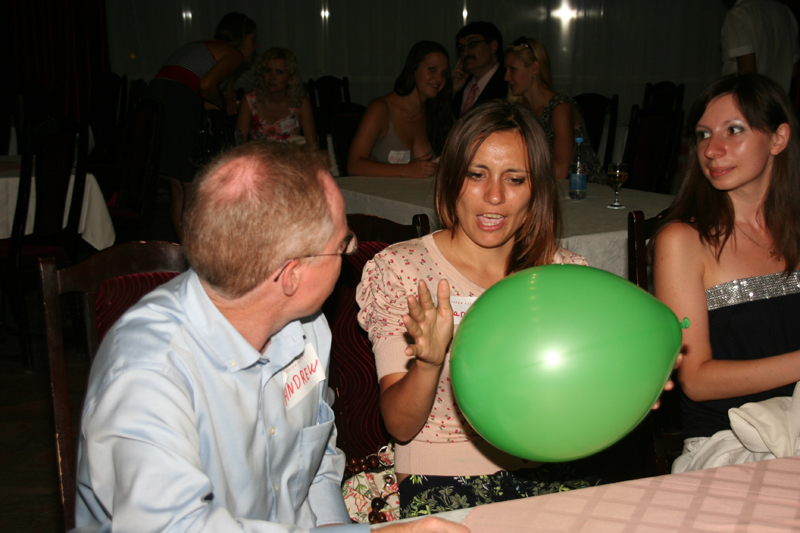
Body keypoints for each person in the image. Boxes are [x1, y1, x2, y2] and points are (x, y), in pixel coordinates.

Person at [73, 141, 469, 533]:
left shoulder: (307, 328)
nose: (350, 252)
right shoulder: (149, 376)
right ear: (292, 275)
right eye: (343, 244)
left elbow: (317, 465)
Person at [356, 101, 600, 518]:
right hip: (441, 477)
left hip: (553, 472)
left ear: (537, 189)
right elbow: (399, 425)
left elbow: (582, 404)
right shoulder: (402, 270)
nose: (495, 196)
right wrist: (429, 362)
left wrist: (630, 383)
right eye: (476, 174)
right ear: (452, 178)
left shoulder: (565, 276)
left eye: (515, 179)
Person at [651, 74, 800, 473]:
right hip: (731, 442)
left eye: (733, 130)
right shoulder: (683, 241)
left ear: (779, 138)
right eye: (703, 135)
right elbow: (696, 379)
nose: (712, 150)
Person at [146, 12, 258, 242]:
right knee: (190, 183)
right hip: (177, 101)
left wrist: (216, 103)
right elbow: (206, 85)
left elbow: (191, 90)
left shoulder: (205, 48)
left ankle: (185, 247)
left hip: (157, 98)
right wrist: (224, 106)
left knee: (177, 184)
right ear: (242, 38)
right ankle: (196, 248)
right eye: (253, 40)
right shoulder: (233, 54)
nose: (255, 47)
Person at [504, 37, 605, 183]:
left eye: (512, 70)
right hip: (545, 187)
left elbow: (561, 170)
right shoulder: (518, 110)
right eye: (506, 70)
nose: (506, 77)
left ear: (534, 68)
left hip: (584, 189)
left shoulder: (560, 107)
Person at [347, 41, 453, 179]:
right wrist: (406, 170)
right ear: (413, 69)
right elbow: (353, 166)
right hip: (379, 191)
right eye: (432, 69)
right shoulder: (381, 108)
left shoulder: (438, 113)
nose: (440, 78)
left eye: (444, 73)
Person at [236, 48, 318, 147]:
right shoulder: (250, 101)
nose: (272, 77)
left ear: (291, 78)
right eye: (268, 71)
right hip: (260, 155)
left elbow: (312, 145)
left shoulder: (300, 101)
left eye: (279, 72)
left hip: (292, 155)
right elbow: (239, 145)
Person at [721, 0, 799, 93]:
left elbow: (747, 73)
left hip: (745, 98)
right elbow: (794, 70)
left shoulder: (739, 14)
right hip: (777, 97)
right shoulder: (785, 12)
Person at [451, 22, 508, 118]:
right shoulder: (459, 85)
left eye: (472, 44)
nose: (465, 52)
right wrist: (452, 91)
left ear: (493, 46)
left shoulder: (508, 82)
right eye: (461, 48)